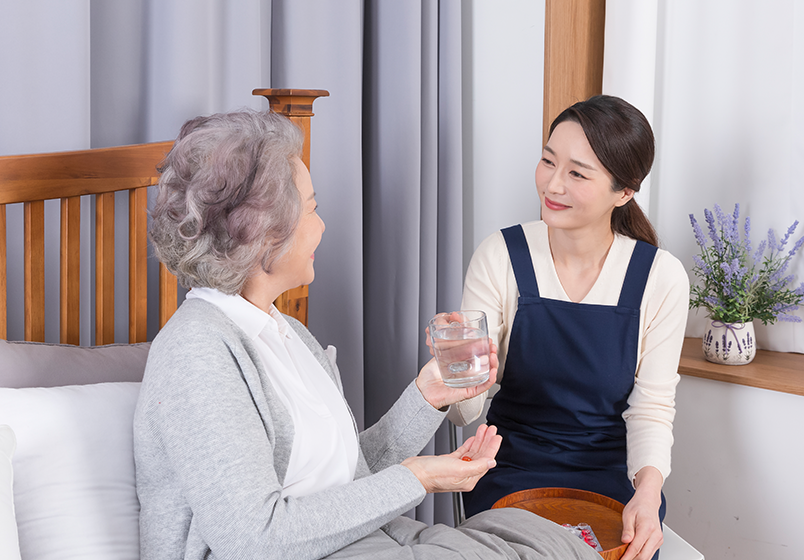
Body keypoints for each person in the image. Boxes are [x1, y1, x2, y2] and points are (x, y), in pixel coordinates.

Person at [134, 109, 601, 560]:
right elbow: (255, 540)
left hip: (366, 543)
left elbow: (345, 481)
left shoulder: (285, 332)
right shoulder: (196, 351)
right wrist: (418, 478)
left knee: (532, 535)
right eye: (312, 209)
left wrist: (427, 396)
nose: (322, 226)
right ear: (263, 232)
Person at [449, 95, 690, 560]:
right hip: (507, 466)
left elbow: (652, 409)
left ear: (624, 192)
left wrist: (648, 492)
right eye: (547, 161)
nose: (552, 184)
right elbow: (465, 413)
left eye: (577, 173)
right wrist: (461, 370)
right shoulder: (501, 256)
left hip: (612, 474)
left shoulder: (660, 278)